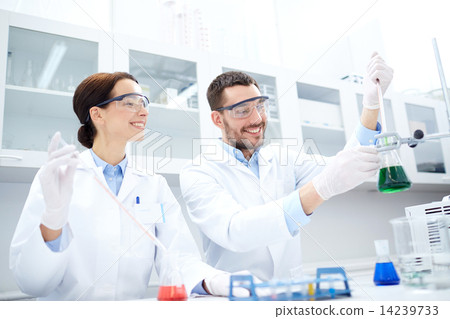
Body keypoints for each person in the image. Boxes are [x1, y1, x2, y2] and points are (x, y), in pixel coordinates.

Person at [10, 72, 243, 300]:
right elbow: (31, 283)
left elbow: (177, 256)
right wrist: (53, 219)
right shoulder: (57, 177)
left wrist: (213, 281)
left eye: (143, 103)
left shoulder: (154, 184)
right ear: (97, 114)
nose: (143, 111)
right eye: (130, 103)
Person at [179, 53, 393, 281]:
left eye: (260, 106)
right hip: (236, 298)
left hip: (290, 293)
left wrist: (371, 105)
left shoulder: (283, 159)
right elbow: (235, 231)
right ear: (217, 120)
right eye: (242, 111)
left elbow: (347, 163)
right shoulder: (198, 172)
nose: (257, 119)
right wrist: (319, 189)